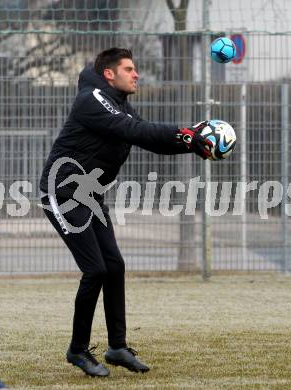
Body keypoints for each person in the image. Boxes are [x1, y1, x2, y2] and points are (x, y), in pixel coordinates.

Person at [39, 47, 212, 377]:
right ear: (109, 74)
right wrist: (186, 132)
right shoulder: (91, 99)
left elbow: (145, 133)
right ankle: (77, 350)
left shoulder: (118, 104)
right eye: (129, 69)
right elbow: (134, 131)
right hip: (61, 193)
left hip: (89, 194)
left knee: (114, 265)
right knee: (95, 270)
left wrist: (191, 142)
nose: (136, 74)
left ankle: (117, 347)